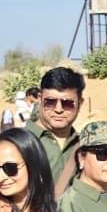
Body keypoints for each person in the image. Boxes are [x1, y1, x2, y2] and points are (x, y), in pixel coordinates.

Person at [29, 67, 85, 197]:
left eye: (67, 103)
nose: (58, 109)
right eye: (50, 102)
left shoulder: (85, 145)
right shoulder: (18, 143)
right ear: (39, 99)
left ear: (80, 103)